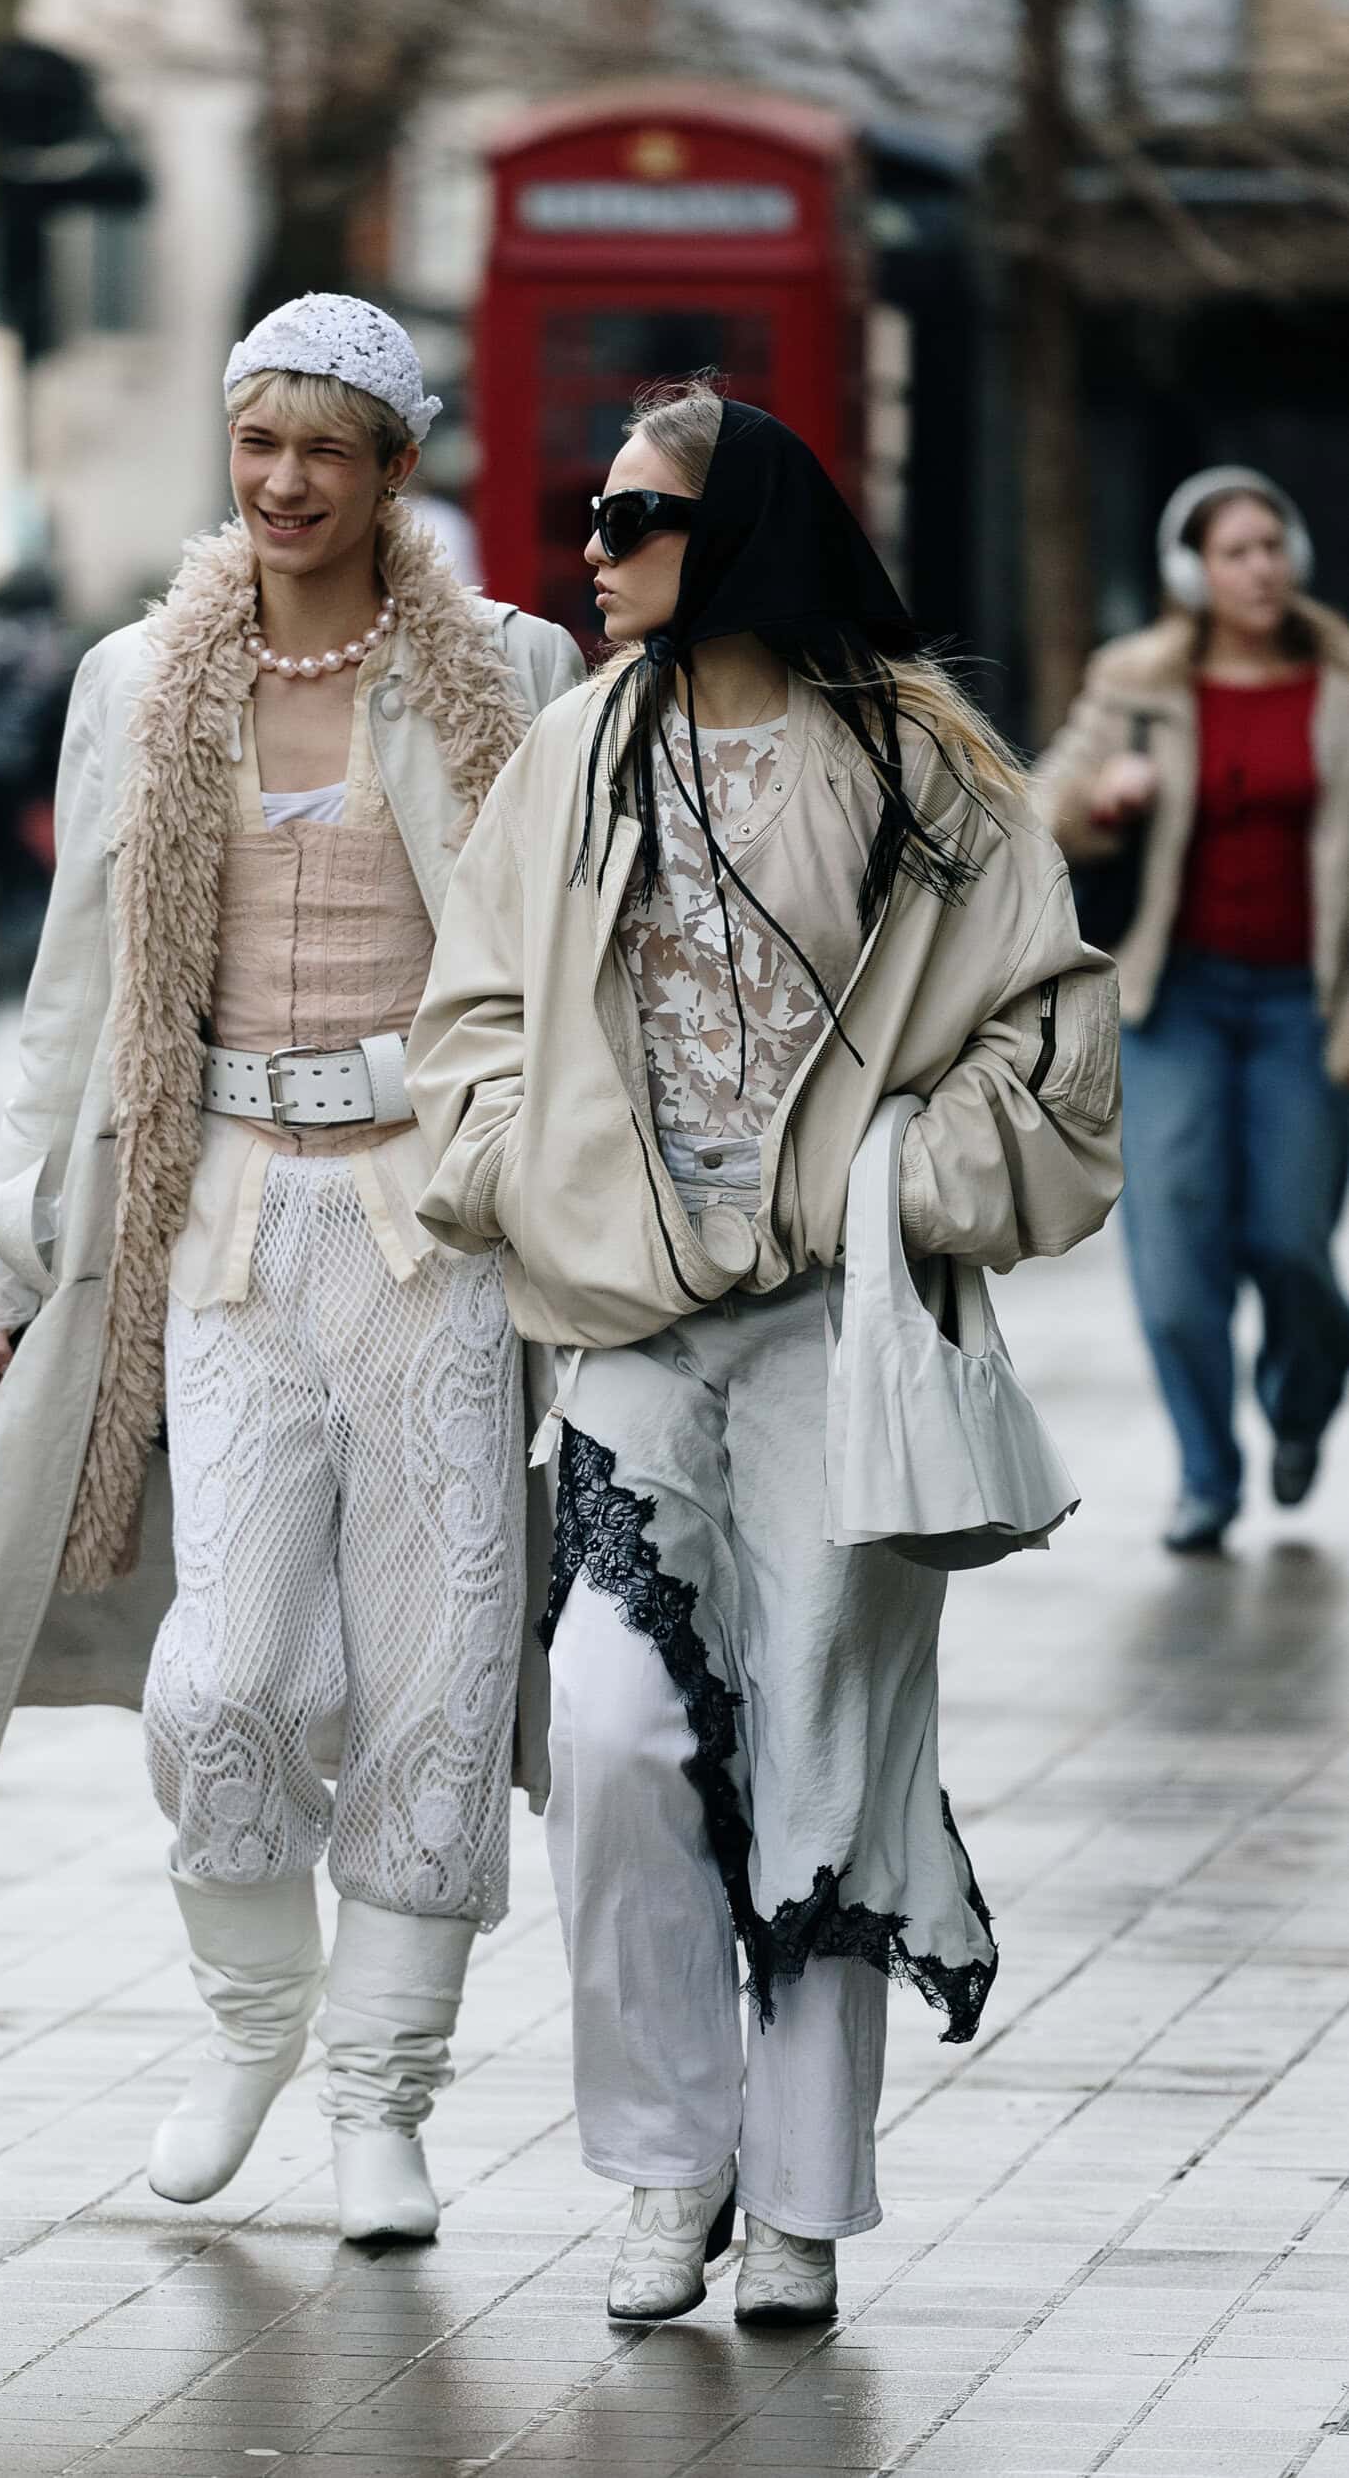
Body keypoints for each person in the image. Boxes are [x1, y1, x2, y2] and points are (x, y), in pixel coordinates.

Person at [0, 296, 582, 2241]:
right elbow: (72, 991)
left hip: (436, 1234)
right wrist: (2, 1244)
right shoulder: (137, 679)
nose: (283, 481)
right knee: (228, 1675)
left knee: (437, 1677)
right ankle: (254, 2017)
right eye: (258, 442)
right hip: (226, 1218)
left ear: (393, 468)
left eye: (324, 447)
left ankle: (382, 2101)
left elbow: (570, 972)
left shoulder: (508, 667)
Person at [407, 383, 1122, 2326]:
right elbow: (469, 1016)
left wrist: (889, 1181)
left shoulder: (916, 765)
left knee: (821, 1744)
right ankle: (669, 2164)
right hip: (626, 1324)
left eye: (630, 516)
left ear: (733, 533)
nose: (589, 548)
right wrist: (523, 1173)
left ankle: (797, 2201)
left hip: (842, 1325)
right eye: (590, 511)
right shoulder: (574, 750)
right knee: (611, 1733)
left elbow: (1051, 1042)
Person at [1038, 468, 1349, 1553]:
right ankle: (1207, 1476)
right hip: (1175, 1000)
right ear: (1192, 572)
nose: (1260, 567)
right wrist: (1103, 799)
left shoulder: (1339, 676)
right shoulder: (1136, 680)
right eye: (1235, 551)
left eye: (1271, 545)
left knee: (1292, 1244)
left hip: (1305, 1006)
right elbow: (1043, 806)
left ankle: (1302, 1403)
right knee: (1175, 1261)